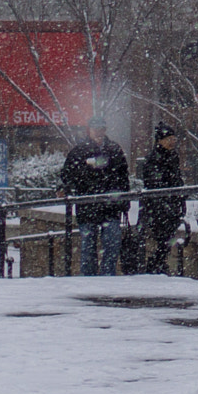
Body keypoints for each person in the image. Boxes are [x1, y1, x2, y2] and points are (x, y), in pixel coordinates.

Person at [61, 117, 131, 276]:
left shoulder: (114, 149)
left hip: (109, 207)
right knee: (88, 248)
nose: (99, 132)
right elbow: (67, 175)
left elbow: (123, 177)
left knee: (111, 245)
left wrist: (123, 201)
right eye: (96, 129)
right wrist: (86, 168)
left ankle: (106, 277)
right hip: (88, 206)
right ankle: (89, 279)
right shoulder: (80, 151)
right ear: (90, 130)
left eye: (101, 129)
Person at [139, 123, 186, 274]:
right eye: (169, 139)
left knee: (165, 241)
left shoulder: (172, 157)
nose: (172, 142)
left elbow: (175, 179)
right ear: (160, 140)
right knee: (162, 240)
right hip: (159, 208)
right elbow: (155, 183)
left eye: (174, 139)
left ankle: (157, 266)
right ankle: (155, 267)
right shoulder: (154, 159)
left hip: (170, 206)